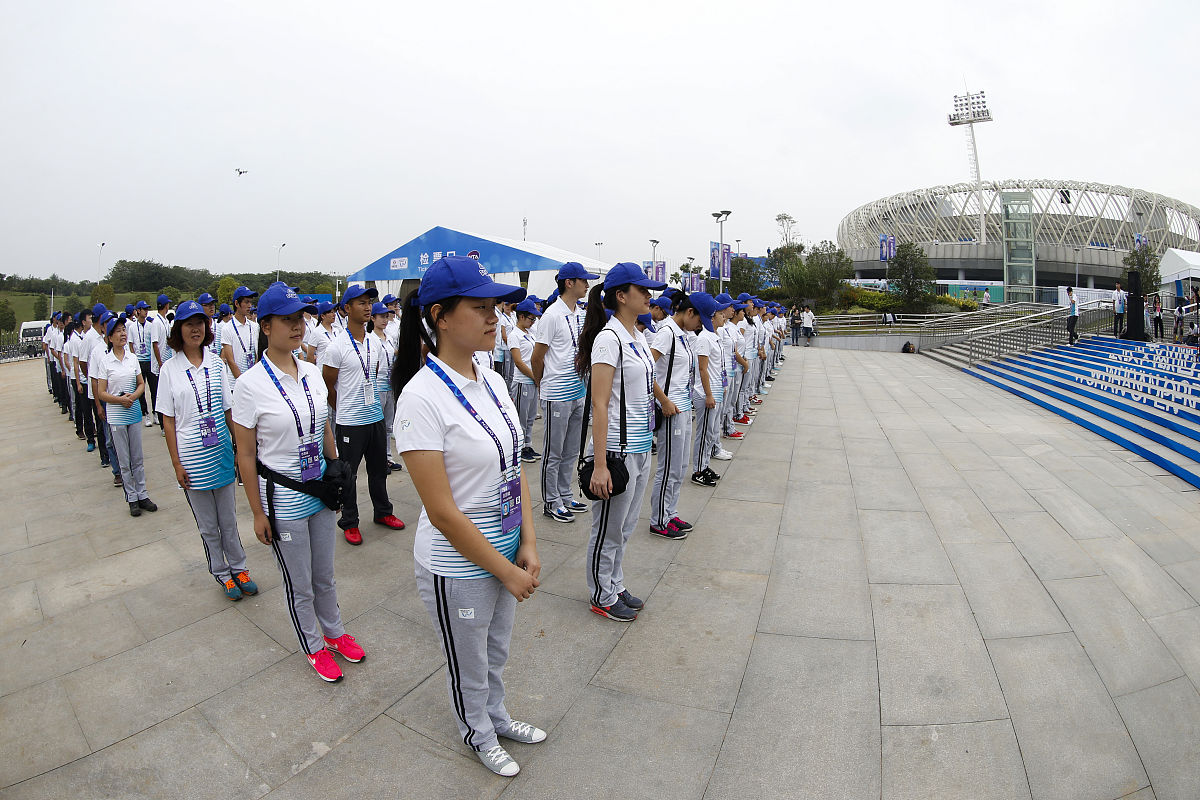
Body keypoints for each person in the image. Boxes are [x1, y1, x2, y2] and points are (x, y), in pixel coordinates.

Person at [391, 256, 544, 777]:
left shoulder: (494, 381)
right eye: (479, 308)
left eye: (495, 307)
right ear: (440, 316)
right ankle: (476, 732)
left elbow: (514, 470)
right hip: (458, 565)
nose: (493, 318)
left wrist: (527, 544)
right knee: (469, 660)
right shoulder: (420, 398)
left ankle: (496, 716)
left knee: (495, 649)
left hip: (504, 548)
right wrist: (503, 571)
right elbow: (441, 511)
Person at [232, 282, 364, 683]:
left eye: (300, 318)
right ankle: (313, 644)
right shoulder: (250, 384)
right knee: (299, 581)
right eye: (287, 320)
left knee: (324, 574)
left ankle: (335, 632)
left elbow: (322, 423)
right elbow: (246, 455)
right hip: (284, 499)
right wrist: (257, 512)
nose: (297, 326)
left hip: (319, 491)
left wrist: (337, 469)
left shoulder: (310, 372)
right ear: (266, 325)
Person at [577, 262, 667, 621]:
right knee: (608, 527)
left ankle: (614, 581)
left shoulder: (639, 338)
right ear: (621, 296)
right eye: (642, 290)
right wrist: (599, 464)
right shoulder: (608, 339)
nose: (649, 296)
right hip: (615, 449)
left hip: (640, 446)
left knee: (626, 525)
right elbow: (599, 403)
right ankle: (601, 592)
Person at [158, 301, 257, 600]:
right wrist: (177, 464)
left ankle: (239, 567)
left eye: (200, 323)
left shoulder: (216, 363)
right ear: (179, 329)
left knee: (228, 519)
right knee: (208, 525)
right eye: (189, 323)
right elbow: (169, 420)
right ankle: (221, 572)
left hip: (222, 454)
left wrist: (240, 449)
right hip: (191, 458)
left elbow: (229, 410)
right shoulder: (169, 370)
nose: (195, 329)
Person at [322, 285, 405, 545]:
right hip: (349, 422)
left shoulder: (373, 342)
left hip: (374, 418)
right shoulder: (336, 347)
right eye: (360, 303)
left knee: (379, 470)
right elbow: (328, 385)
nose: (368, 307)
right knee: (349, 474)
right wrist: (345, 408)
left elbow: (375, 372)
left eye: (369, 302)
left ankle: (383, 512)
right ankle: (350, 520)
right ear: (347, 309)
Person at [532, 262, 599, 524]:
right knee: (553, 451)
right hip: (556, 392)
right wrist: (542, 385)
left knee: (572, 449)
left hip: (578, 390)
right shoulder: (551, 315)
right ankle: (550, 501)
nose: (587, 285)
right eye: (583, 280)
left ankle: (564, 492)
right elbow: (538, 357)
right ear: (569, 282)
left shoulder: (579, 314)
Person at [649, 292, 703, 539]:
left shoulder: (682, 335)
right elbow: (647, 369)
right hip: (670, 410)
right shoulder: (667, 333)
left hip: (683, 408)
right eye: (700, 321)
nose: (700, 327)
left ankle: (670, 512)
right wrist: (664, 400)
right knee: (668, 466)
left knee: (680, 466)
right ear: (689, 312)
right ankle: (659, 520)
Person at [93, 316, 157, 516]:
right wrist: (119, 400)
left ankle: (142, 494)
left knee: (137, 458)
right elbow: (101, 392)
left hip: (134, 412)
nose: (122, 334)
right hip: (117, 416)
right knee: (124, 460)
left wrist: (134, 397)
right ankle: (131, 498)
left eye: (123, 330)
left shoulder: (132, 358)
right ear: (110, 337)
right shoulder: (106, 362)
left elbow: (140, 384)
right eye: (118, 331)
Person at [368, 302, 402, 472]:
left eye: (386, 316)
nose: (385, 320)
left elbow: (394, 355)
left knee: (388, 425)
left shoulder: (387, 338)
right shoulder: (371, 339)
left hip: (389, 385)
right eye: (381, 316)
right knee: (378, 426)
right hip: (378, 386)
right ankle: (378, 459)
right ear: (372, 318)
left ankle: (387, 457)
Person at [508, 298, 541, 463]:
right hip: (523, 381)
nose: (533, 321)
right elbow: (519, 362)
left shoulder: (530, 333)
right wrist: (535, 377)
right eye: (531, 318)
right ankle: (519, 449)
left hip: (533, 381)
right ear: (521, 316)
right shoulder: (514, 335)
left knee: (530, 417)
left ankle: (527, 445)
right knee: (521, 418)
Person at [221, 286, 259, 386]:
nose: (249, 305)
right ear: (237, 303)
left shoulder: (255, 327)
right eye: (246, 302)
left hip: (253, 381)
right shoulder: (227, 328)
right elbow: (230, 360)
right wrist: (243, 381)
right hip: (235, 383)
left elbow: (257, 354)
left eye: (250, 302)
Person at [148, 294, 174, 428]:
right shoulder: (156, 322)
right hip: (160, 363)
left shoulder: (164, 320)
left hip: (167, 359)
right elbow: (155, 344)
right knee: (160, 393)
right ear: (165, 306)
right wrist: (159, 362)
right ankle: (163, 424)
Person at [303, 300, 340, 366]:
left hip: (335, 369)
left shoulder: (336, 331)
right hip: (322, 370)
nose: (334, 314)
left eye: (334, 311)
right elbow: (310, 356)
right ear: (323, 316)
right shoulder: (317, 332)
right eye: (331, 312)